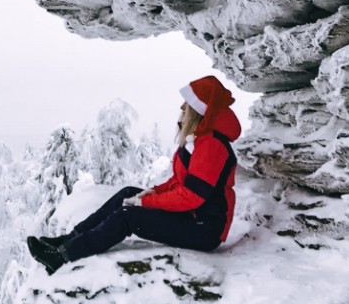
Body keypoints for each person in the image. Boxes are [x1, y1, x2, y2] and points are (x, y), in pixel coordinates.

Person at [27, 76, 241, 275]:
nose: (181, 110)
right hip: (193, 218)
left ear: (197, 111)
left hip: (204, 230)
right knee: (128, 194)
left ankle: (63, 256)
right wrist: (153, 192)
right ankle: (67, 240)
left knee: (128, 216)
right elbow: (179, 181)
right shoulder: (200, 141)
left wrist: (147, 202)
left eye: (185, 107)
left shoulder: (211, 146)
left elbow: (192, 196)